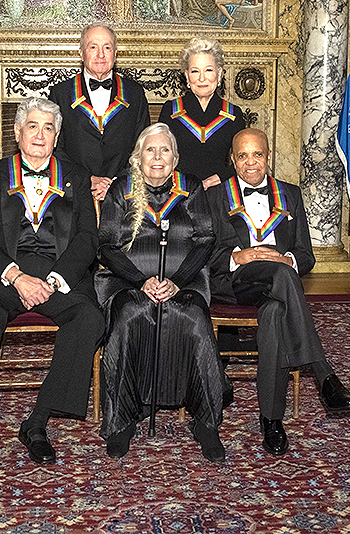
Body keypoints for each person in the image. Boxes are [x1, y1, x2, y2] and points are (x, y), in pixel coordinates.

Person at [0, 97, 105, 470]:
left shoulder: (76, 175)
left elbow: (88, 238)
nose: (40, 135)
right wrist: (16, 276)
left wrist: (56, 280)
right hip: (5, 274)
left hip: (58, 275)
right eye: (32, 126)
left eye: (48, 128)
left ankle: (37, 422)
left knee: (89, 318)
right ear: (17, 132)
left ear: (57, 136)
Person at [208, 128, 350, 457]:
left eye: (257, 154)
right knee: (283, 275)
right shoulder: (215, 196)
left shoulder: (291, 194)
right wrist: (237, 256)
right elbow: (202, 252)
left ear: (268, 157)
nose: (251, 162)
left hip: (277, 286)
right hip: (236, 283)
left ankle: (272, 421)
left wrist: (287, 259)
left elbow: (305, 255)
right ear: (233, 160)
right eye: (243, 155)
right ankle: (323, 374)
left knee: (276, 310)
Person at [95, 123, 232, 462]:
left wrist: (177, 281)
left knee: (193, 317)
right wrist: (141, 281)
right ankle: (123, 419)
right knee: (130, 316)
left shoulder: (192, 189)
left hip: (183, 281)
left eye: (165, 150)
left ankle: (205, 421)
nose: (157, 157)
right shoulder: (120, 191)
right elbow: (106, 247)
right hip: (126, 282)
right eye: (150, 150)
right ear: (137, 157)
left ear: (175, 157)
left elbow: (205, 239)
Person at [49, 22, 150, 202]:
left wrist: (117, 182)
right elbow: (55, 148)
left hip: (123, 193)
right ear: (81, 53)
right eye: (93, 47)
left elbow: (142, 146)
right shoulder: (61, 94)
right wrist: (88, 179)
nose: (101, 55)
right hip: (74, 193)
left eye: (107, 47)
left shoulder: (135, 93)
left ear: (116, 53)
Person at [158, 37, 246, 190]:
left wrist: (220, 177)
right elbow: (160, 157)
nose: (202, 78)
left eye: (208, 70)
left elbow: (244, 160)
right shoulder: (170, 110)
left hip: (220, 190)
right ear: (186, 76)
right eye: (195, 71)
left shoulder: (233, 114)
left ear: (219, 74)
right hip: (179, 191)